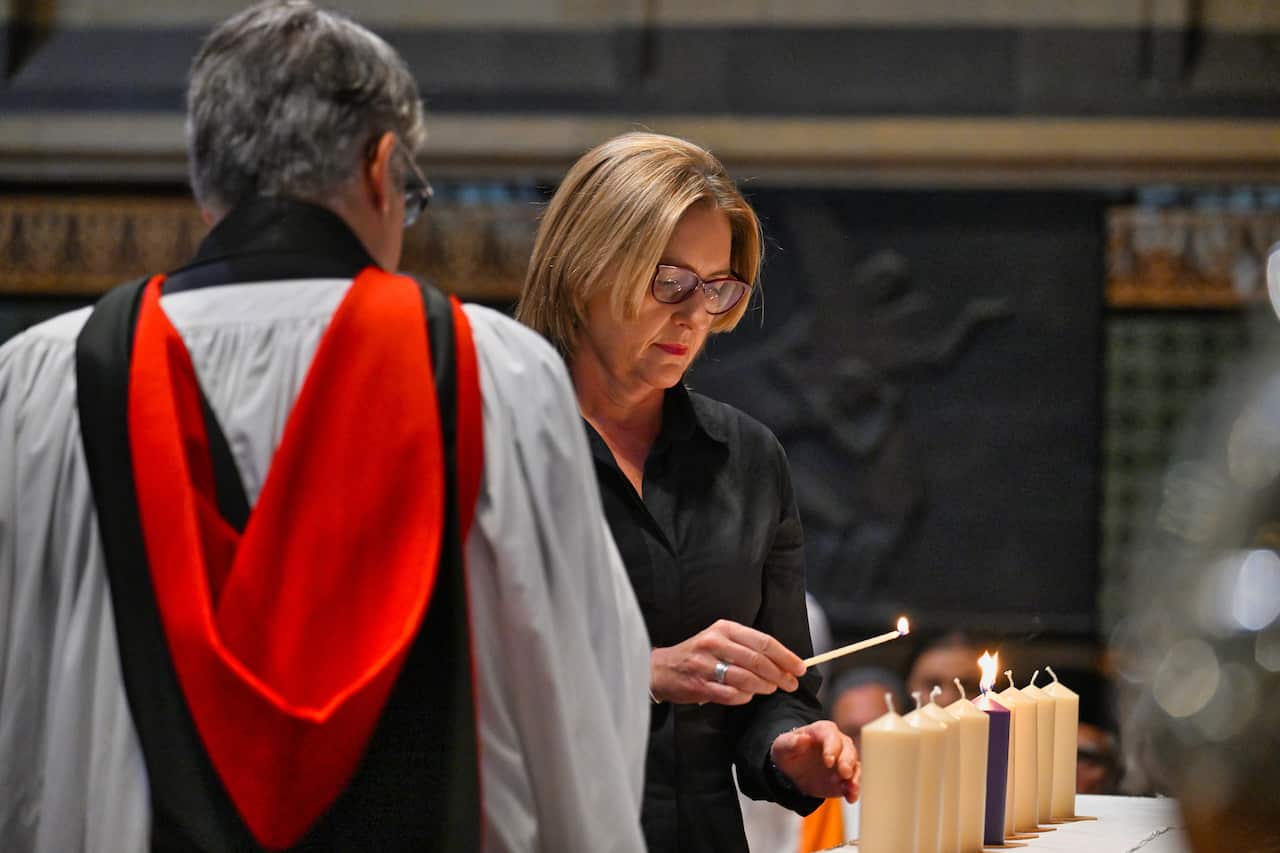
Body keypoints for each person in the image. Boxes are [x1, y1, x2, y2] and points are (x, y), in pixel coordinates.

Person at [0, 3, 650, 851]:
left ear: (209, 190)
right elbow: (582, 701)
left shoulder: (43, 379)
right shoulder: (494, 373)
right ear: (382, 169)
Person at [517, 131, 859, 851]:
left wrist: (789, 747)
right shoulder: (494, 441)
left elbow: (780, 689)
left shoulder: (748, 459)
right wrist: (643, 674)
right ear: (586, 267)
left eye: (719, 288)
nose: (695, 315)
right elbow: (451, 678)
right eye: (670, 282)